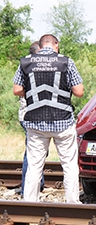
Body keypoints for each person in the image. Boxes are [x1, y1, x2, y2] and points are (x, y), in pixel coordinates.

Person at [13, 34, 84, 203]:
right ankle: (73, 203)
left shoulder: (26, 62)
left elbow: (16, 90)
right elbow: (79, 92)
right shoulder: (66, 62)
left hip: (35, 122)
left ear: (40, 45)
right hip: (63, 122)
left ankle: (29, 204)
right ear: (56, 45)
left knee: (34, 166)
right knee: (69, 166)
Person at [18, 41, 45, 196]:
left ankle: (36, 184)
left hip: (27, 114)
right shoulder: (31, 67)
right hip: (31, 115)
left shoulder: (26, 67)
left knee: (34, 151)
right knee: (33, 153)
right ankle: (27, 188)